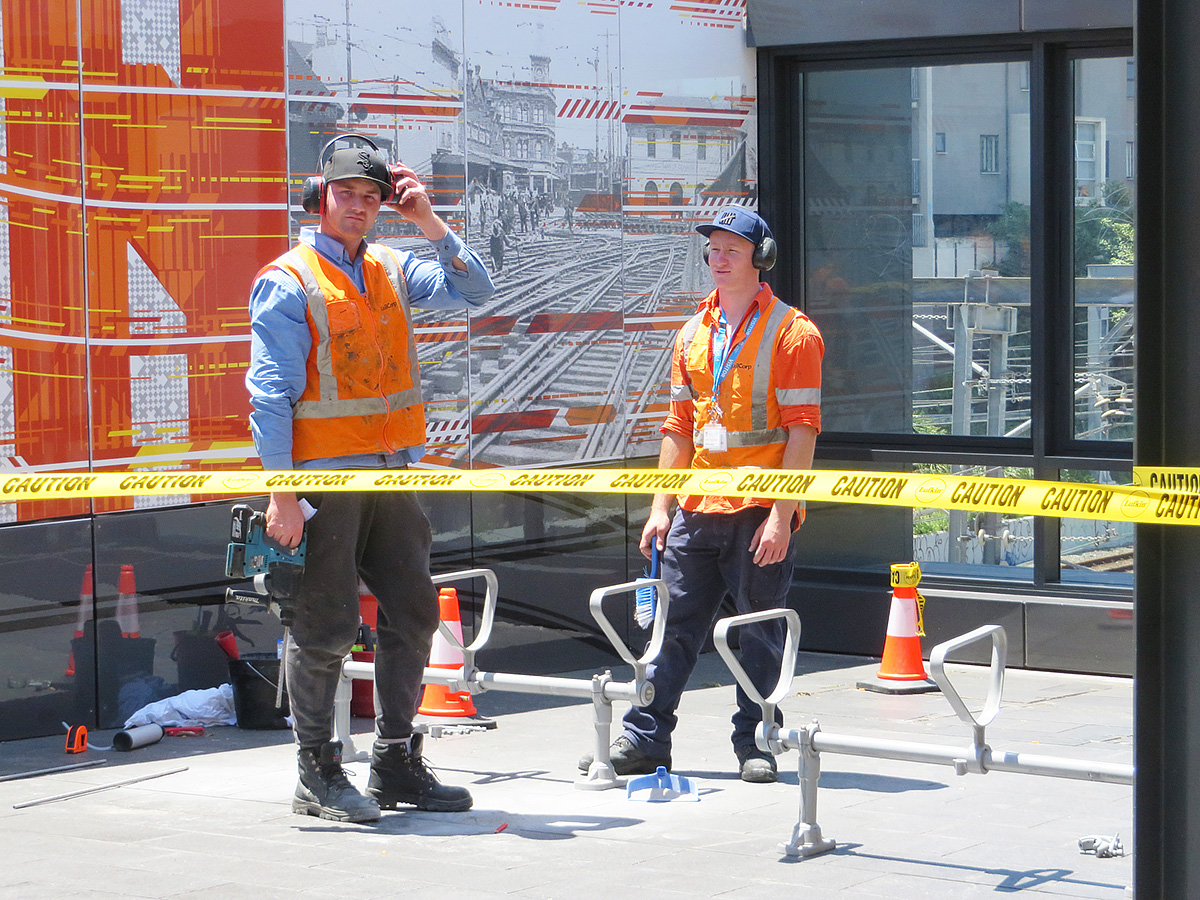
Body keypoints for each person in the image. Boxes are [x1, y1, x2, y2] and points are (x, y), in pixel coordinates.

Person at [246, 136, 495, 823]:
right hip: (325, 480)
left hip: (390, 475)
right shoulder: (289, 279)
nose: (359, 208)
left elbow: (478, 289)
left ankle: (393, 762)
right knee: (324, 626)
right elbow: (269, 397)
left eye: (371, 197)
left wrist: (427, 220)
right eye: (347, 194)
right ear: (319, 197)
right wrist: (282, 494)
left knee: (414, 615)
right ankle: (317, 772)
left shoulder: (389, 262)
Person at [579, 205, 823, 784]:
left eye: (731, 249)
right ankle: (645, 741)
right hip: (696, 507)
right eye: (713, 249)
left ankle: (757, 741)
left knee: (757, 631)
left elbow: (802, 429)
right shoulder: (692, 333)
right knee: (670, 629)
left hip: (760, 509)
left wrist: (782, 516)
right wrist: (661, 506)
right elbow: (677, 429)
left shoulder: (794, 332)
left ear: (759, 258)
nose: (719, 258)